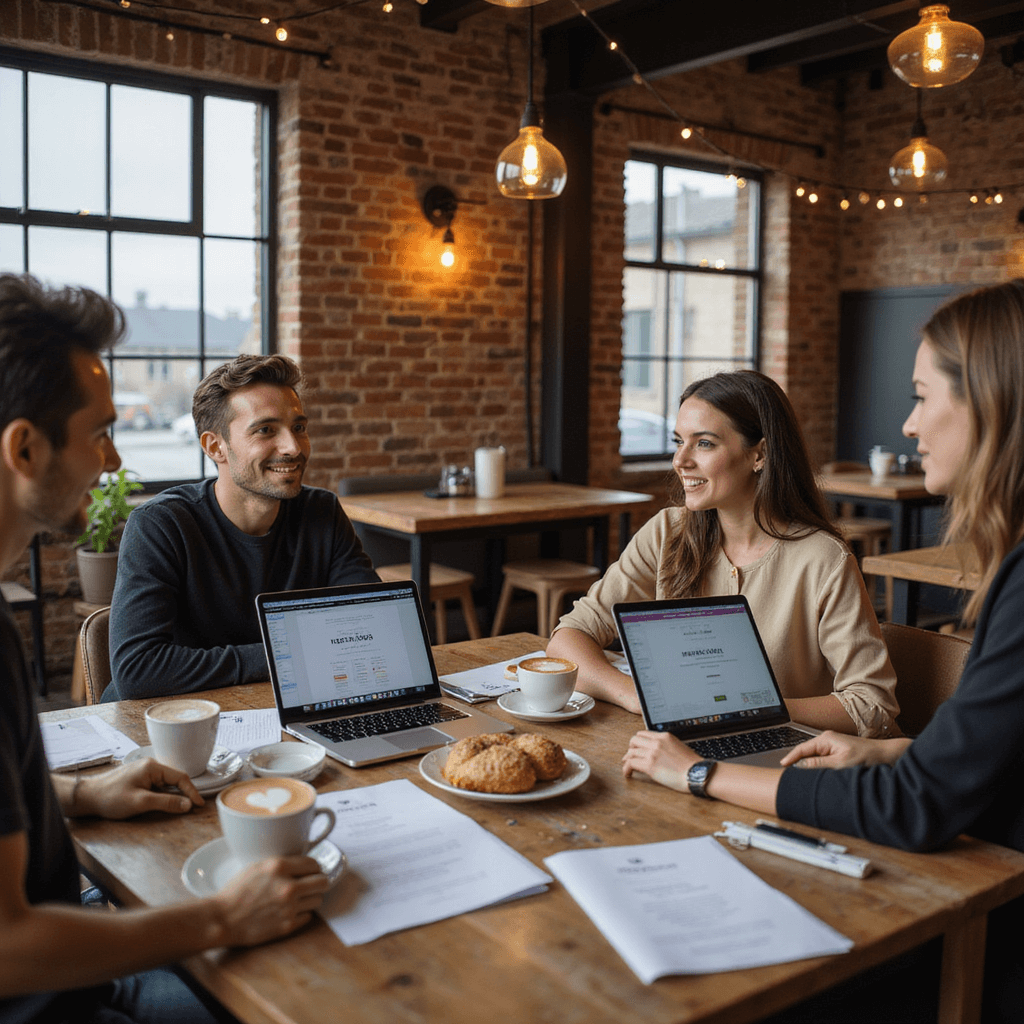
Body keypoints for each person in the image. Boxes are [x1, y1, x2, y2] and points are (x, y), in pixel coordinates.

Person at [623, 279, 1024, 1023]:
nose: (907, 426)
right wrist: (899, 750)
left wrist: (702, 771)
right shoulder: (1015, 572)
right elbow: (985, 760)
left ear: (993, 404)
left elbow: (915, 810)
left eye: (921, 395)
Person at [0, 273, 330, 1024]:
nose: (113, 462)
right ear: (25, 448)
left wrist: (83, 794)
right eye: (98, 432)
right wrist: (220, 919)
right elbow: (6, 946)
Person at [548, 369, 898, 737]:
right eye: (678, 441)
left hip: (787, 755)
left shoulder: (823, 559)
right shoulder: (668, 532)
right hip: (680, 743)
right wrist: (634, 696)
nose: (680, 461)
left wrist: (751, 707)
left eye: (704, 443)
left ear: (759, 454)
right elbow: (568, 638)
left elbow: (872, 705)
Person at [104, 353, 379, 701]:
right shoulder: (161, 525)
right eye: (266, 430)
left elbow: (370, 625)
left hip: (280, 707)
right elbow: (138, 671)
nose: (293, 447)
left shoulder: (320, 511)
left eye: (299, 427)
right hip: (172, 726)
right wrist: (292, 654)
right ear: (215, 446)